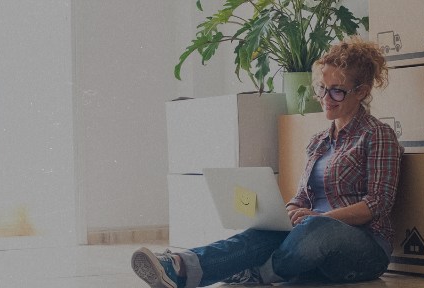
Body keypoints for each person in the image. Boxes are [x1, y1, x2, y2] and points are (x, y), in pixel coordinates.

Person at [132, 38, 399, 288]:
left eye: (337, 92)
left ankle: (252, 271)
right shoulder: (319, 141)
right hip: (309, 241)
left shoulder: (377, 134)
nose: (325, 98)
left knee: (317, 228)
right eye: (322, 88)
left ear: (360, 91)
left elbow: (377, 203)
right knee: (265, 231)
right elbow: (303, 198)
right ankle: (180, 267)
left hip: (363, 249)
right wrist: (289, 211)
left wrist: (319, 217)